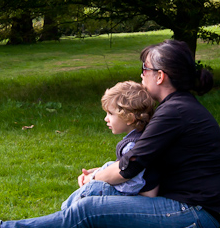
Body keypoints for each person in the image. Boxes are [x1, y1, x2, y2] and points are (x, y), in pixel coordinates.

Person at [0, 39, 220, 228]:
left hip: (193, 214)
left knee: (90, 205)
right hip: (180, 206)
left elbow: (127, 169)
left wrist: (95, 177)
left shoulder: (174, 112)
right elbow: (141, 161)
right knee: (94, 199)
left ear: (160, 75)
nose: (141, 74)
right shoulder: (176, 108)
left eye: (144, 69)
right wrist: (98, 175)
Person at [61, 80, 158, 215]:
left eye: (110, 114)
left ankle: (66, 214)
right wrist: (101, 170)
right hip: (139, 193)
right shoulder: (140, 137)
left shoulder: (133, 145)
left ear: (129, 118)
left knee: (92, 189)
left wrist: (103, 181)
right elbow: (122, 166)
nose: (106, 119)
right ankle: (67, 212)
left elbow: (133, 183)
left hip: (138, 197)